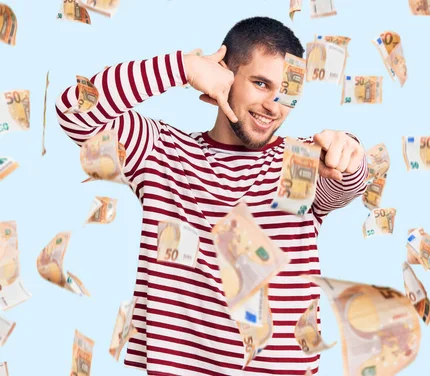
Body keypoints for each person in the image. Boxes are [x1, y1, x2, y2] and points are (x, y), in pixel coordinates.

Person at [56, 16, 368, 376]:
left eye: (287, 92)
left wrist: (348, 151)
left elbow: (348, 182)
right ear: (224, 74)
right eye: (261, 83)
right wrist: (183, 67)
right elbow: (75, 111)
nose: (273, 106)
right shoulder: (161, 153)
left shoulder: (298, 162)